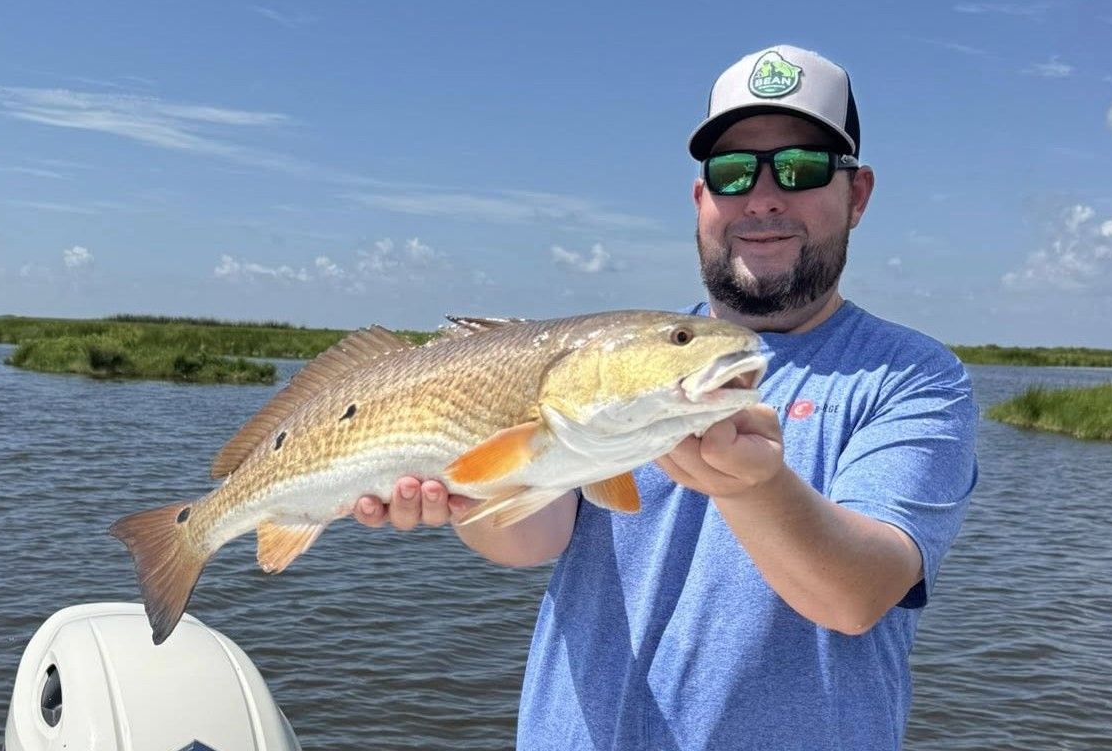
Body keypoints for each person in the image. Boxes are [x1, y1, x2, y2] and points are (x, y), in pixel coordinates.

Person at [354, 45, 978, 750]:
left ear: (857, 195)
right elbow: (534, 536)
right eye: (733, 172)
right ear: (701, 199)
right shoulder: (612, 360)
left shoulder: (913, 377)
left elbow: (858, 594)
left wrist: (755, 488)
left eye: (800, 169)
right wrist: (465, 497)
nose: (763, 197)